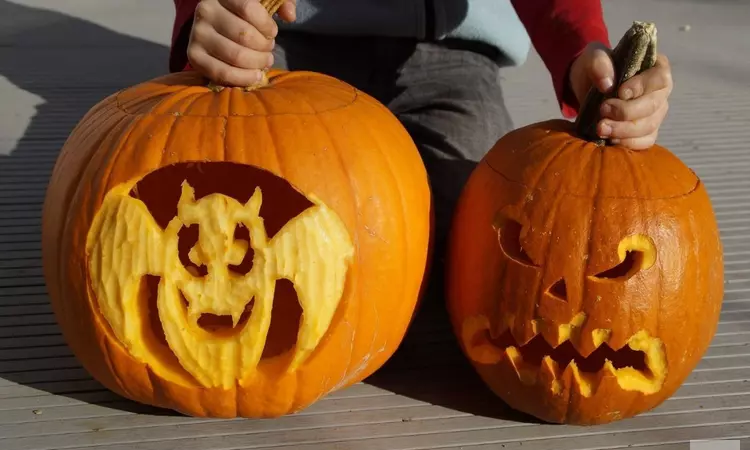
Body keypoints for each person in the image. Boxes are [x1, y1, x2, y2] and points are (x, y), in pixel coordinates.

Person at [168, 0, 674, 325]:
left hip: (451, 55)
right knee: (242, 211)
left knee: (493, 248)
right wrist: (208, 14)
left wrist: (584, 50)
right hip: (283, 36)